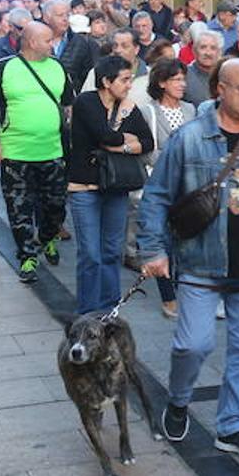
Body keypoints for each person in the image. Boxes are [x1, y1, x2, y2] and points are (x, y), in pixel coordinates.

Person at [138, 58, 239, 461]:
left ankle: (233, 426)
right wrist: (153, 250)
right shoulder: (189, 138)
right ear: (219, 90)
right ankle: (179, 398)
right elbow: (156, 196)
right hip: (201, 261)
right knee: (193, 344)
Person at [0, 22, 75, 284]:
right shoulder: (3, 67)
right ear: (31, 42)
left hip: (53, 151)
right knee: (19, 207)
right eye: (47, 40)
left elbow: (69, 104)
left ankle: (47, 236)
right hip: (15, 152)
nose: (52, 45)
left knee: (55, 206)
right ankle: (27, 256)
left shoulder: (58, 67)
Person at [68, 55, 154, 315]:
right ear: (106, 81)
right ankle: (87, 311)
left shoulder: (128, 106)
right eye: (125, 79)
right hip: (84, 188)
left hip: (116, 187)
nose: (130, 85)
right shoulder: (86, 101)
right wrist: (125, 140)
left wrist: (124, 144)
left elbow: (148, 142)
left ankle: (109, 309)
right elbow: (104, 136)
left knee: (111, 251)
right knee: (90, 254)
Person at [145, 58, 196, 317]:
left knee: (186, 239)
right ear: (162, 82)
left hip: (189, 188)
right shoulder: (149, 111)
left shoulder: (191, 110)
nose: (182, 84)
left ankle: (186, 288)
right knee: (163, 239)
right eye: (176, 79)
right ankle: (168, 295)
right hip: (162, 185)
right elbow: (147, 151)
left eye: (183, 79)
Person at [47, 0, 97, 94]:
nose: (65, 19)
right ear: (47, 17)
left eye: (67, 15)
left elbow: (87, 75)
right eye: (60, 15)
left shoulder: (81, 42)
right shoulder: (36, 40)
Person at [184, 30, 222, 107]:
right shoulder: (184, 75)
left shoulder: (225, 75)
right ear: (194, 51)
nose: (208, 53)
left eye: (213, 48)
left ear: (219, 52)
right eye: (203, 47)